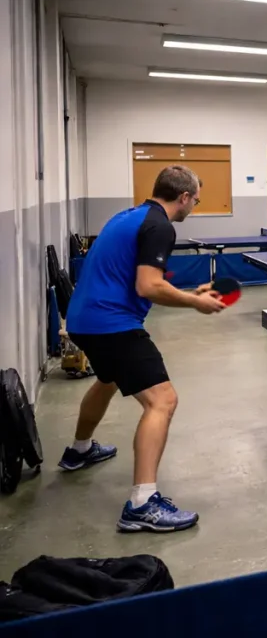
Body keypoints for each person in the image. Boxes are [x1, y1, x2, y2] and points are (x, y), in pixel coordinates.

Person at [62, 164, 226, 533]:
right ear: (183, 197)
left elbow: (129, 273)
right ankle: (142, 504)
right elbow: (148, 286)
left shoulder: (130, 216)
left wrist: (188, 292)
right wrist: (194, 302)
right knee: (162, 401)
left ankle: (80, 450)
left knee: (106, 380)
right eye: (195, 201)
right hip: (111, 324)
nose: (194, 207)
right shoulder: (161, 226)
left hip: (83, 319)